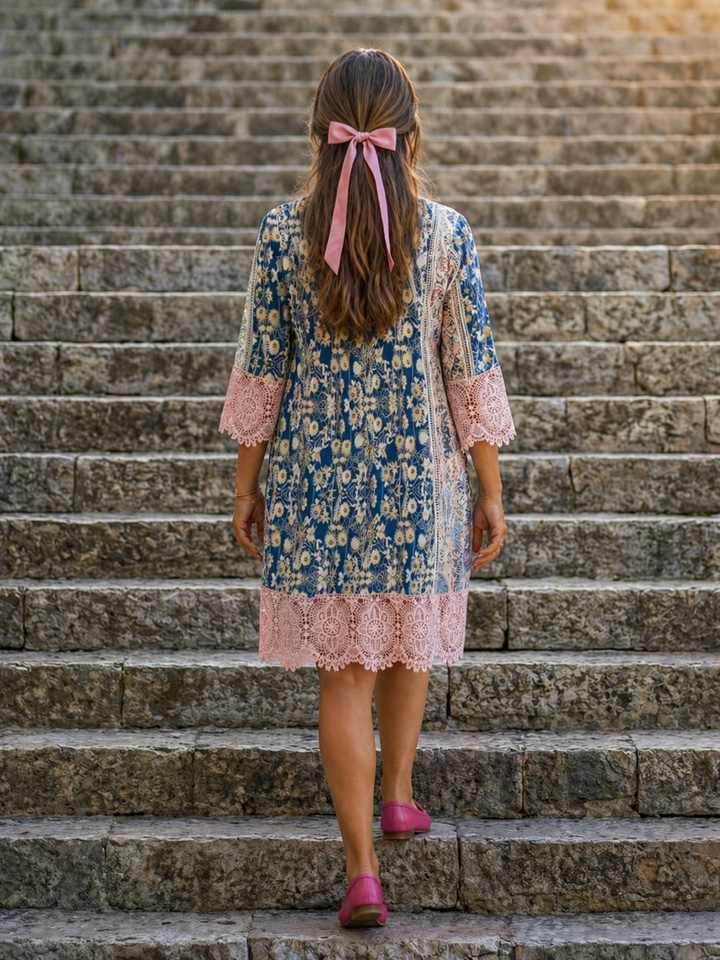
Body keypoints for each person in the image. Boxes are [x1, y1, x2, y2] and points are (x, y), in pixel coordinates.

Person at [219, 47, 515, 928]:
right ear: (409, 134)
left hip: (317, 479)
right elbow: (469, 370)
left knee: (343, 672)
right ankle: (399, 792)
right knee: (406, 639)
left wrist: (247, 482)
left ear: (321, 134)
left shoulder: (283, 233)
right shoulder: (446, 234)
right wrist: (490, 486)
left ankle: (361, 873)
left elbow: (262, 372)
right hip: (420, 479)